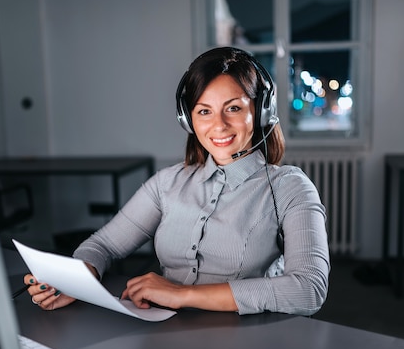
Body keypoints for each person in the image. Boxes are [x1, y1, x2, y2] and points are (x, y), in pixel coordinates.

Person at [25, 47, 330, 316]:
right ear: (188, 119)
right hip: (165, 335)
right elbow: (104, 245)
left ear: (262, 112)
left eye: (233, 108)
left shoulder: (291, 188)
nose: (218, 125)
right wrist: (74, 280)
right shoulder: (168, 183)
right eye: (204, 111)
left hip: (250, 341)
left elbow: (309, 289)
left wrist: (182, 294)